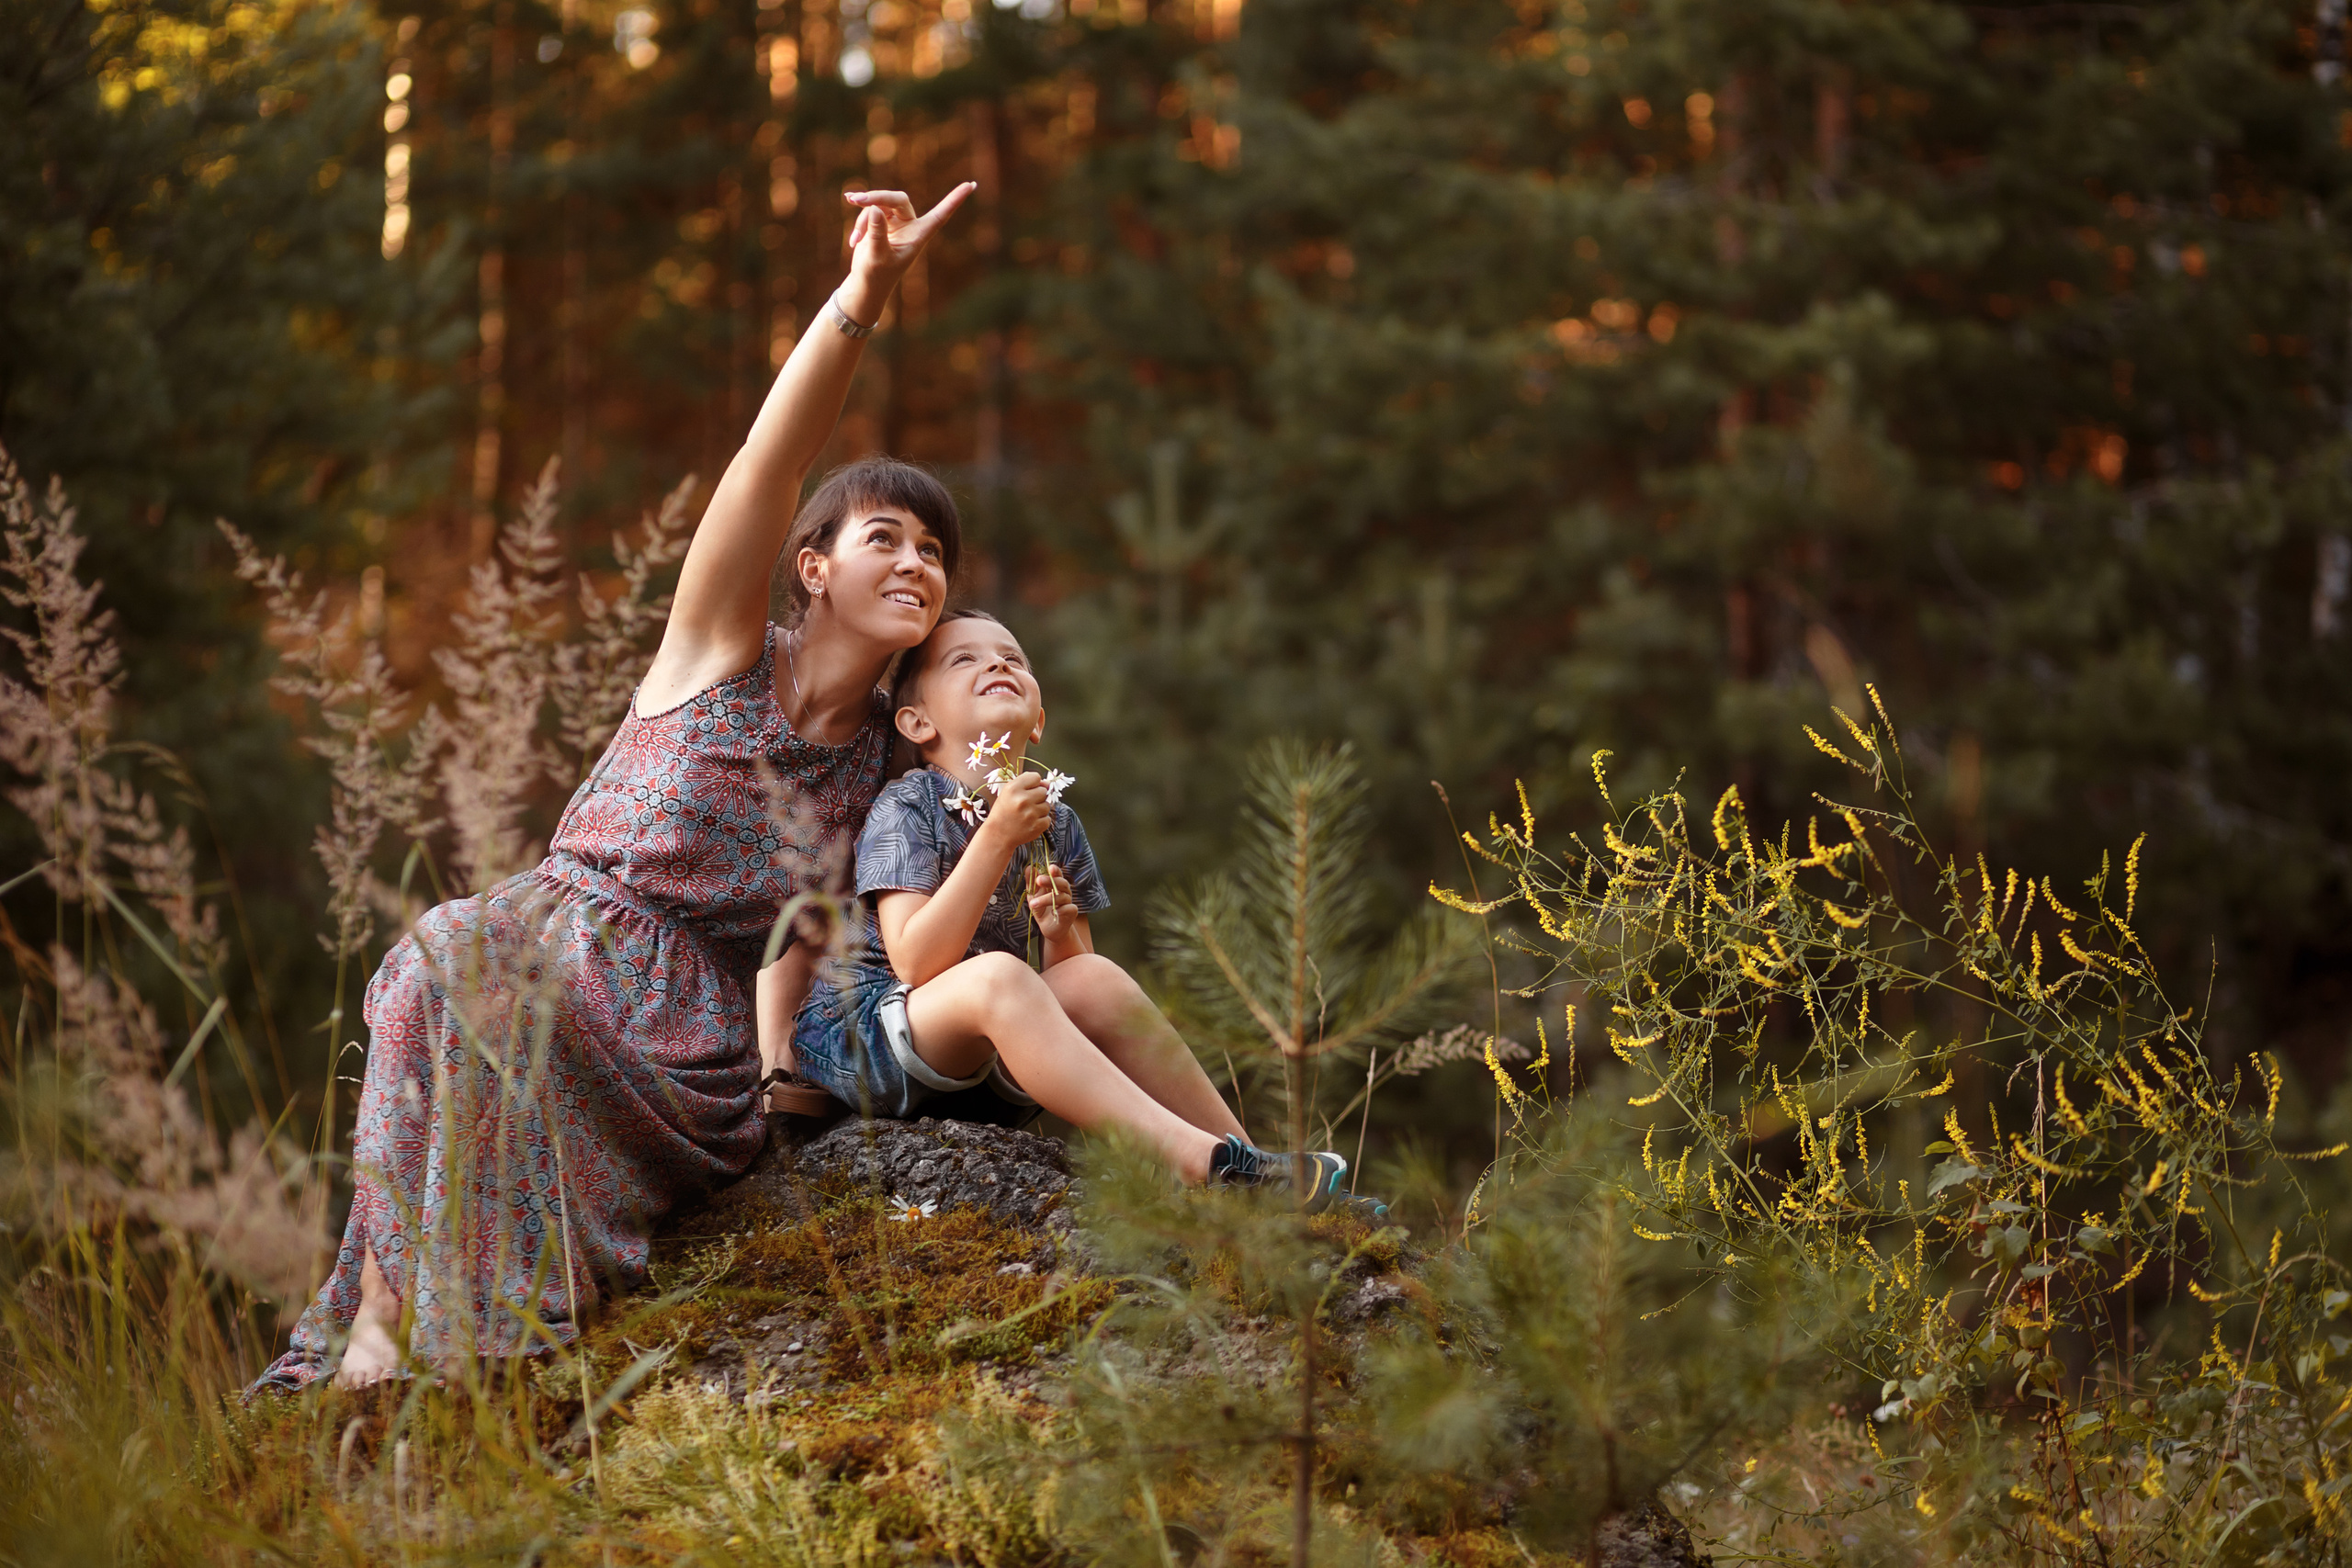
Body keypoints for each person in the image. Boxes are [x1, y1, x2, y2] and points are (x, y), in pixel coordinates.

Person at [253, 181, 976, 1393]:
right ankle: (386, 1315)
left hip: (690, 1045)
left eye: (937, 552)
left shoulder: (889, 755)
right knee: (451, 956)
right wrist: (862, 296)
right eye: (887, 537)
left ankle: (488, 1332)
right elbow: (769, 455)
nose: (917, 561)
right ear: (812, 565)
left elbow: (940, 871)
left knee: (458, 959)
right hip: (542, 941)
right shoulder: (717, 650)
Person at [784, 609, 1359, 1209]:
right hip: (870, 1038)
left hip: (982, 1066)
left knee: (1094, 974)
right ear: (917, 721)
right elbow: (915, 962)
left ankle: (1259, 1170)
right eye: (965, 659)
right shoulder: (911, 804)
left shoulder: (1054, 819)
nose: (997, 663)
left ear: (1038, 723)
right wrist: (996, 837)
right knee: (1001, 975)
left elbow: (1083, 991)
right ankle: (1199, 1162)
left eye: (1013, 658)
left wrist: (1057, 936)